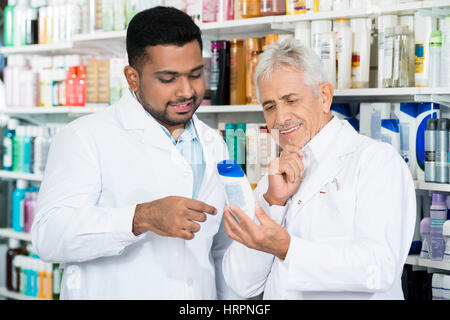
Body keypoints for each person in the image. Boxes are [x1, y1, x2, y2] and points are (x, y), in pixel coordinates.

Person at [31, 6, 238, 300]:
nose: (186, 91)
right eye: (168, 79)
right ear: (132, 78)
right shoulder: (84, 137)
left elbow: (218, 250)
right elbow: (48, 236)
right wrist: (141, 217)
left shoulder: (213, 143)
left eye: (195, 74)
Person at [222, 38, 416, 300]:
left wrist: (288, 248)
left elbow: (379, 269)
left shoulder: (376, 161)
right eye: (270, 106)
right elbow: (240, 283)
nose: (280, 118)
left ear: (324, 96)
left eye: (291, 100)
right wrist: (273, 203)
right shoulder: (274, 177)